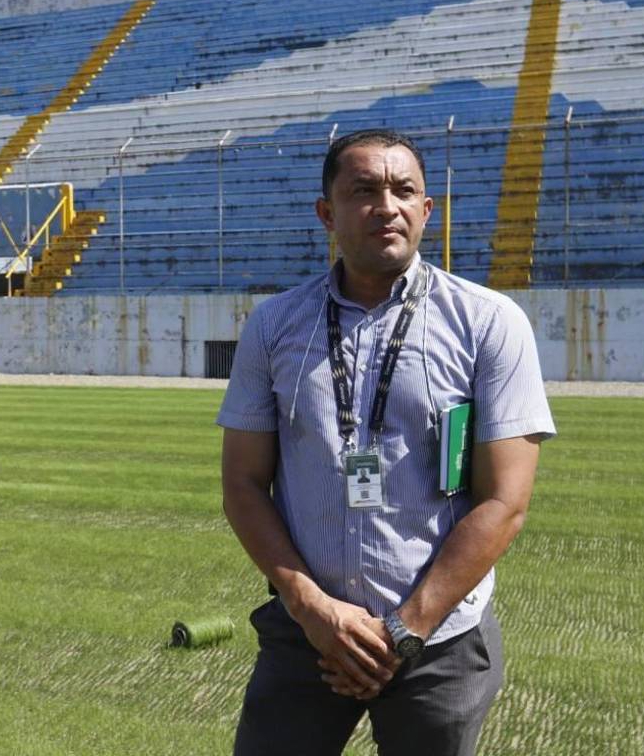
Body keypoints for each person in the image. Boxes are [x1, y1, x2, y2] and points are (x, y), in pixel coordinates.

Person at [217, 129, 555, 756]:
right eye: (363, 191)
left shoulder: (488, 323)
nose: (387, 206)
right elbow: (242, 481)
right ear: (327, 212)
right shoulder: (273, 326)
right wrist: (312, 607)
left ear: (428, 210)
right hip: (307, 638)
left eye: (404, 190)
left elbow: (505, 500)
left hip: (441, 643)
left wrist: (403, 631)